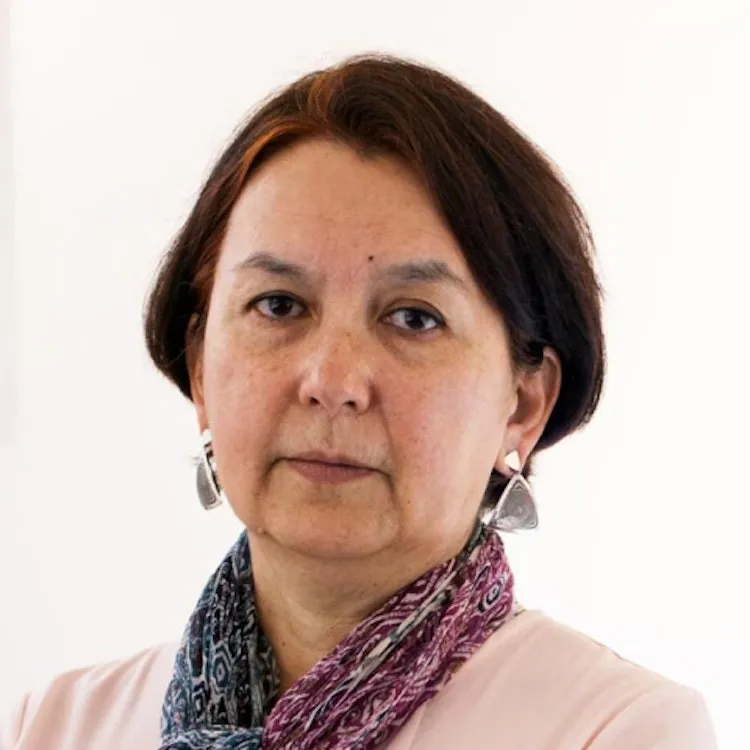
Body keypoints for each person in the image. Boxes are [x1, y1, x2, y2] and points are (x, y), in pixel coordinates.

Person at [1, 53, 717, 749]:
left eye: (414, 318)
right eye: (278, 305)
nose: (332, 381)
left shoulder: (620, 731)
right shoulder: (54, 727)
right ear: (200, 370)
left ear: (524, 404)